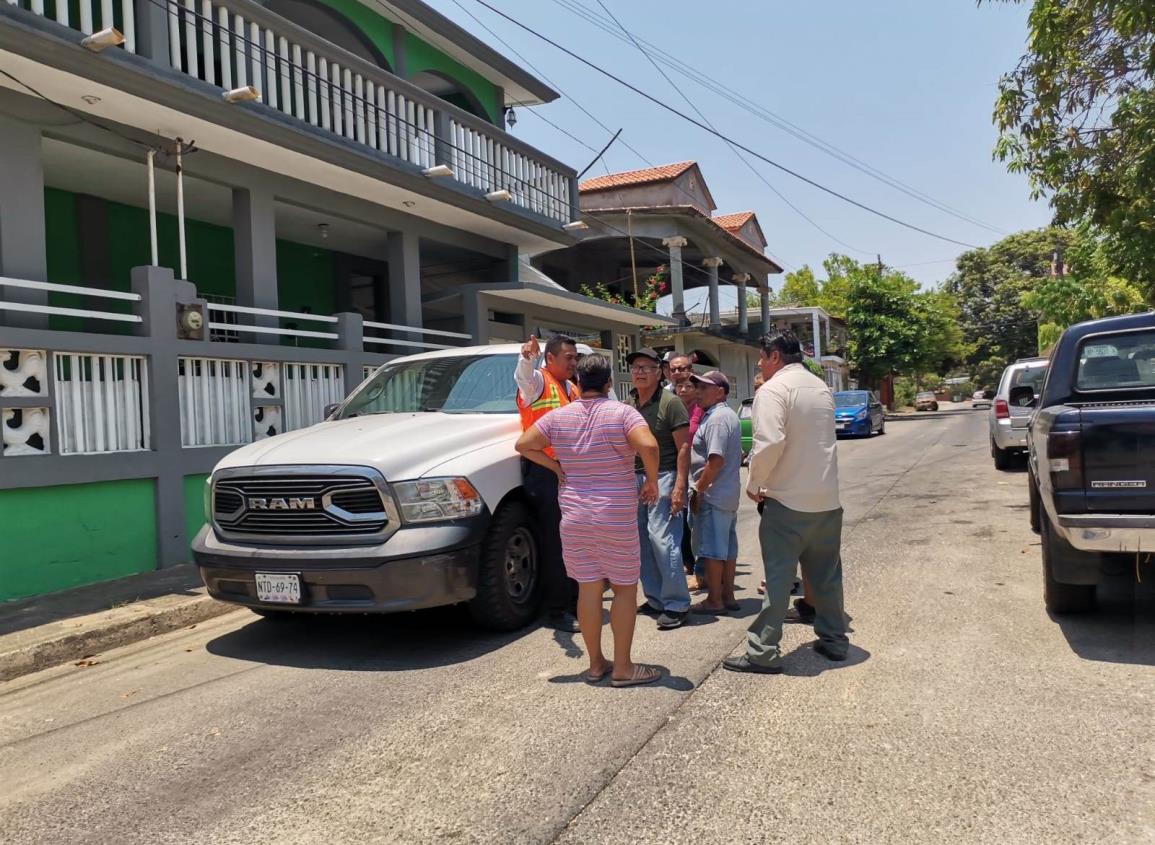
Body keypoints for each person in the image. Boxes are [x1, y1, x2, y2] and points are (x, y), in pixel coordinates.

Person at [515, 354, 663, 687]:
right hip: (615, 513)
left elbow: (523, 444)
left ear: (577, 384)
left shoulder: (558, 417)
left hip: (575, 514)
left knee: (588, 588)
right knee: (625, 590)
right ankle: (623, 668)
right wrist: (652, 480)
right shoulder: (622, 413)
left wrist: (554, 467)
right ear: (609, 383)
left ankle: (596, 664)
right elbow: (649, 445)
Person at [724, 331, 850, 675]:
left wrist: (754, 482)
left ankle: (763, 651)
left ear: (775, 356)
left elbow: (769, 443)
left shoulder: (774, 390)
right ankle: (835, 640)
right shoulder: (820, 387)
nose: (761, 365)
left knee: (778, 581)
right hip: (826, 499)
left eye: (762, 358)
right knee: (825, 576)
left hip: (787, 501)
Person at [515, 334, 581, 632]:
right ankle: (558, 610)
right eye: (568, 357)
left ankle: (576, 601)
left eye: (575, 357)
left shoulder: (572, 388)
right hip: (545, 472)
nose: (573, 362)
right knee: (556, 542)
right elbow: (523, 379)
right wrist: (527, 359)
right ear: (549, 359)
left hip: (570, 473)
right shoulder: (538, 383)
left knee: (574, 540)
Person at [626, 348, 692, 630]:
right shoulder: (629, 402)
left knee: (662, 539)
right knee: (642, 539)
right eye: (635, 367)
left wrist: (680, 485)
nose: (639, 371)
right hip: (636, 478)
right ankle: (655, 598)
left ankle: (677, 603)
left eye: (646, 367)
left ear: (658, 371)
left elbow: (684, 447)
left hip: (664, 476)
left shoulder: (671, 402)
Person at [687, 371, 743, 615]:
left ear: (720, 392)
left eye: (703, 388)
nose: (697, 392)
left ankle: (714, 600)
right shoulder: (724, 415)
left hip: (714, 495)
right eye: (697, 387)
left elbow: (716, 460)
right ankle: (727, 596)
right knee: (727, 550)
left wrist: (699, 490)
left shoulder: (718, 418)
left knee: (712, 550)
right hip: (726, 494)